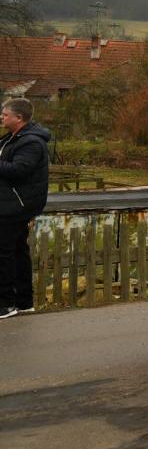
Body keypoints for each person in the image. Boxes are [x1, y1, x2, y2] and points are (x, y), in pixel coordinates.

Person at [0, 98, 50, 318]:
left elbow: (19, 170)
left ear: (19, 117)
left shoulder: (31, 142)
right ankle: (23, 302)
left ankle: (5, 304)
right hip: (12, 203)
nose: (1, 117)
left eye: (5, 114)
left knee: (4, 254)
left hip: (15, 205)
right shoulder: (13, 138)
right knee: (18, 252)